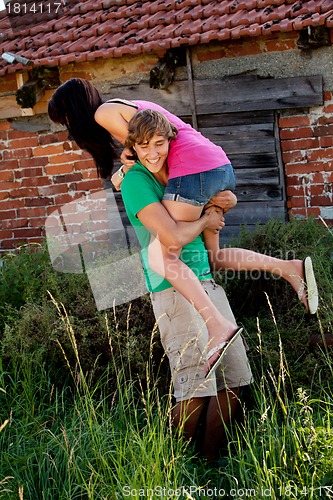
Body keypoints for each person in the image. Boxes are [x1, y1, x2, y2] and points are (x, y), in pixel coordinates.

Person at [48, 78, 318, 376]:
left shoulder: (103, 115)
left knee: (160, 255)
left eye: (65, 120)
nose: (69, 127)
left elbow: (151, 152)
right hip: (215, 163)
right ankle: (289, 268)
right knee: (214, 257)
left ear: (73, 110)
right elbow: (154, 146)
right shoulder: (132, 105)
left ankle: (217, 326)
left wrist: (126, 172)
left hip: (193, 170)